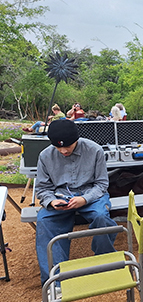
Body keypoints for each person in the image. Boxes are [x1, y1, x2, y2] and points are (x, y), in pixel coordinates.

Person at [35, 119, 118, 284]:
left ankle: (104, 261)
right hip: (60, 196)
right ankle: (54, 280)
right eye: (58, 147)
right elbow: (42, 188)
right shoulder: (45, 155)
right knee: (43, 221)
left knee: (102, 217)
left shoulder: (95, 150)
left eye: (68, 146)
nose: (64, 150)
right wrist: (51, 201)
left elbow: (102, 184)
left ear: (76, 140)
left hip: (92, 194)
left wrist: (84, 199)